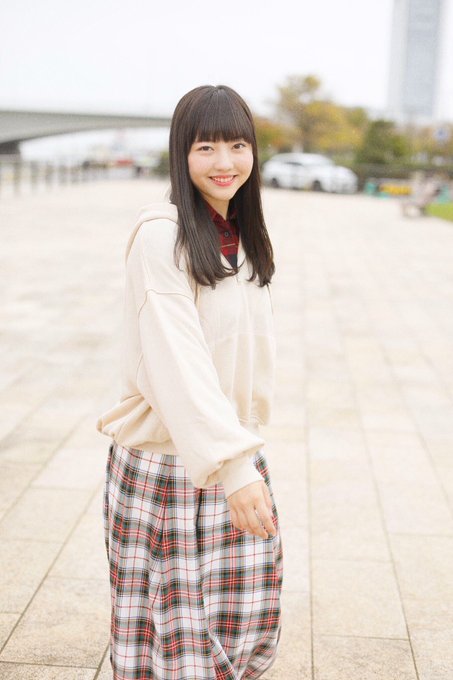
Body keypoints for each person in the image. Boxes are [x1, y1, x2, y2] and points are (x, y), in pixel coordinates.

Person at [97, 84, 283, 680]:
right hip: (169, 464)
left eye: (237, 145)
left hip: (232, 454)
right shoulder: (161, 235)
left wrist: (241, 456)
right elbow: (178, 359)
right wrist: (235, 466)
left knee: (243, 622)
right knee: (176, 645)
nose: (224, 162)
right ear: (182, 153)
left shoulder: (242, 236)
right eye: (206, 147)